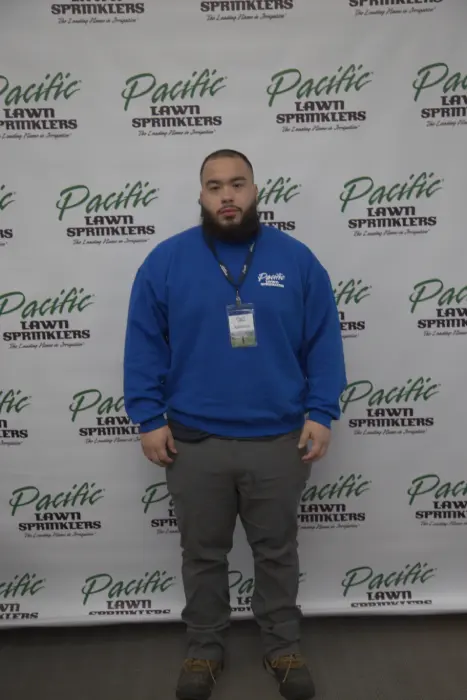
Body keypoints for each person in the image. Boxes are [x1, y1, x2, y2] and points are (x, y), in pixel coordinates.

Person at [123, 149, 347, 700]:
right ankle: (204, 649)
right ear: (200, 195)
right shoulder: (166, 262)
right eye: (215, 186)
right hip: (195, 443)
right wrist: (148, 417)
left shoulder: (296, 261)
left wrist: (322, 411)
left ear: (254, 190)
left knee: (277, 552)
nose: (227, 196)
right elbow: (144, 345)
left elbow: (324, 341)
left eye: (237, 184)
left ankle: (283, 646)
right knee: (203, 555)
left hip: (277, 440)